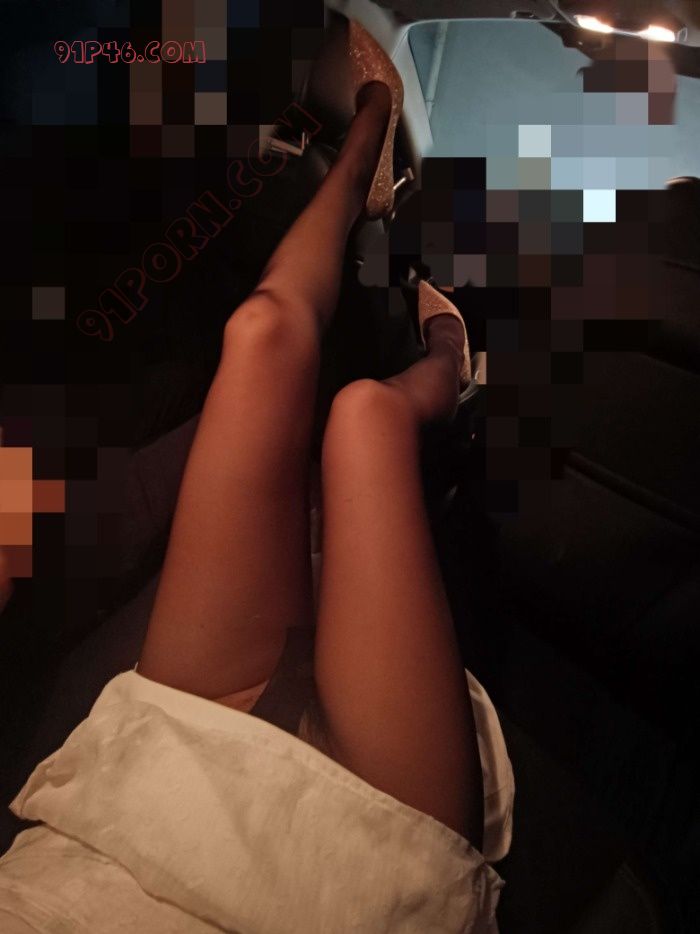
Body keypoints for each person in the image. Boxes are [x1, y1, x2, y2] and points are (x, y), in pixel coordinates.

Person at [0, 20, 513, 932]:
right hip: (348, 877)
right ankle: (451, 349)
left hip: (141, 805)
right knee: (366, 420)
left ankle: (368, 134)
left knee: (262, 330)